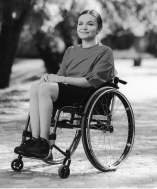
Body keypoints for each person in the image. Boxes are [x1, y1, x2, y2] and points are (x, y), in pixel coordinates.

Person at [14, 10, 117, 158]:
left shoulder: (105, 52)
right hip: (67, 90)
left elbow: (90, 82)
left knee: (44, 90)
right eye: (80, 23)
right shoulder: (71, 51)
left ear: (99, 29)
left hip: (87, 93)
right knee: (35, 87)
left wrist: (62, 80)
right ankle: (34, 140)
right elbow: (60, 76)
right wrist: (49, 78)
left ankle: (44, 142)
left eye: (90, 24)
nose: (84, 27)